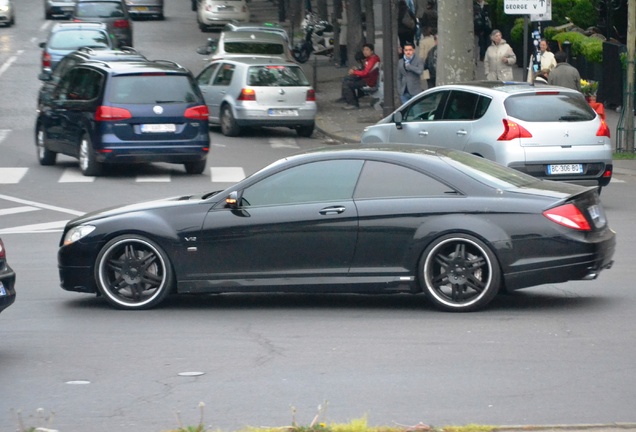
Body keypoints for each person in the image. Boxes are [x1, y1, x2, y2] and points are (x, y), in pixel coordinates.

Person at [340, 43, 381, 110]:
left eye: (367, 50)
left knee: (347, 84)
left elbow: (365, 73)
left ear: (372, 51)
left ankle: (352, 103)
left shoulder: (372, 60)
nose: (365, 51)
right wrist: (357, 70)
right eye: (364, 50)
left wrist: (355, 72)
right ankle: (351, 100)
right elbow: (366, 70)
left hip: (368, 82)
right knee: (347, 79)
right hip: (367, 79)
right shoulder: (370, 59)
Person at [336, 1, 348, 68]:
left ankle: (343, 62)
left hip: (344, 31)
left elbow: (345, 22)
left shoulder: (345, 11)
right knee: (342, 47)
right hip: (343, 30)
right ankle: (343, 61)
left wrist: (339, 21)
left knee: (343, 47)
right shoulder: (344, 11)